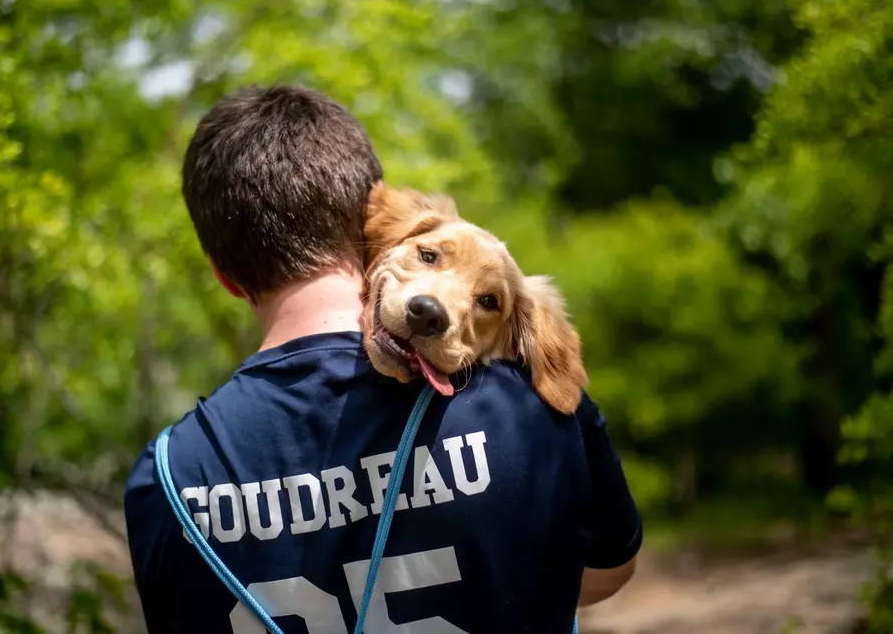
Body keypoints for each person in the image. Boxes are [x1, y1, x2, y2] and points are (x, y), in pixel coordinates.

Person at [123, 84, 641, 634]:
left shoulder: (168, 480)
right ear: (366, 230)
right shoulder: (539, 419)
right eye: (427, 256)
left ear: (222, 275)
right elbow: (604, 573)